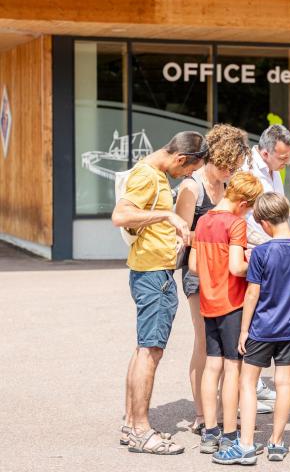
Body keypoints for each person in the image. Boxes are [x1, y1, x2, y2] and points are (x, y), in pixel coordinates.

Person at [111, 131, 207, 455]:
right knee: (150, 352)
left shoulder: (156, 175)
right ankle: (140, 429)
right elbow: (120, 216)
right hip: (153, 275)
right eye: (190, 170)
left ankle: (130, 424)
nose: (189, 176)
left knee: (144, 350)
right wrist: (168, 215)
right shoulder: (147, 175)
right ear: (180, 159)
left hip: (152, 271)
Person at [213, 192, 290, 465]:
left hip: (261, 327)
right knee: (284, 385)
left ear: (265, 224)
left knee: (247, 383)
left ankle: (245, 445)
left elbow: (252, 295)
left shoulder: (261, 253)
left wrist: (244, 330)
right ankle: (277, 442)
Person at [174, 124, 251, 434]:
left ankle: (222, 409)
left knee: (225, 346)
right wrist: (214, 237)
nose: (228, 172)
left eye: (232, 168)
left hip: (227, 273)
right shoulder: (192, 187)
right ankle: (202, 413)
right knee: (205, 342)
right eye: (224, 166)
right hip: (199, 271)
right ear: (213, 157)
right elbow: (178, 233)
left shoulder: (227, 183)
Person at [188, 172, 263, 454]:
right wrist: (253, 259)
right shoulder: (236, 224)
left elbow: (194, 265)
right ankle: (230, 433)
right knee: (233, 368)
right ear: (243, 202)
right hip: (232, 303)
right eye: (251, 207)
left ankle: (210, 431)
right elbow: (236, 268)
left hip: (208, 301)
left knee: (212, 365)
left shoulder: (204, 220)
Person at [242, 124, 290, 408]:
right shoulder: (248, 171)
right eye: (283, 157)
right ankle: (249, 386)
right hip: (256, 250)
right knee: (255, 318)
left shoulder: (275, 172)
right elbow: (248, 219)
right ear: (265, 152)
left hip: (271, 248)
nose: (287, 162)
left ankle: (256, 383)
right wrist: (271, 243)